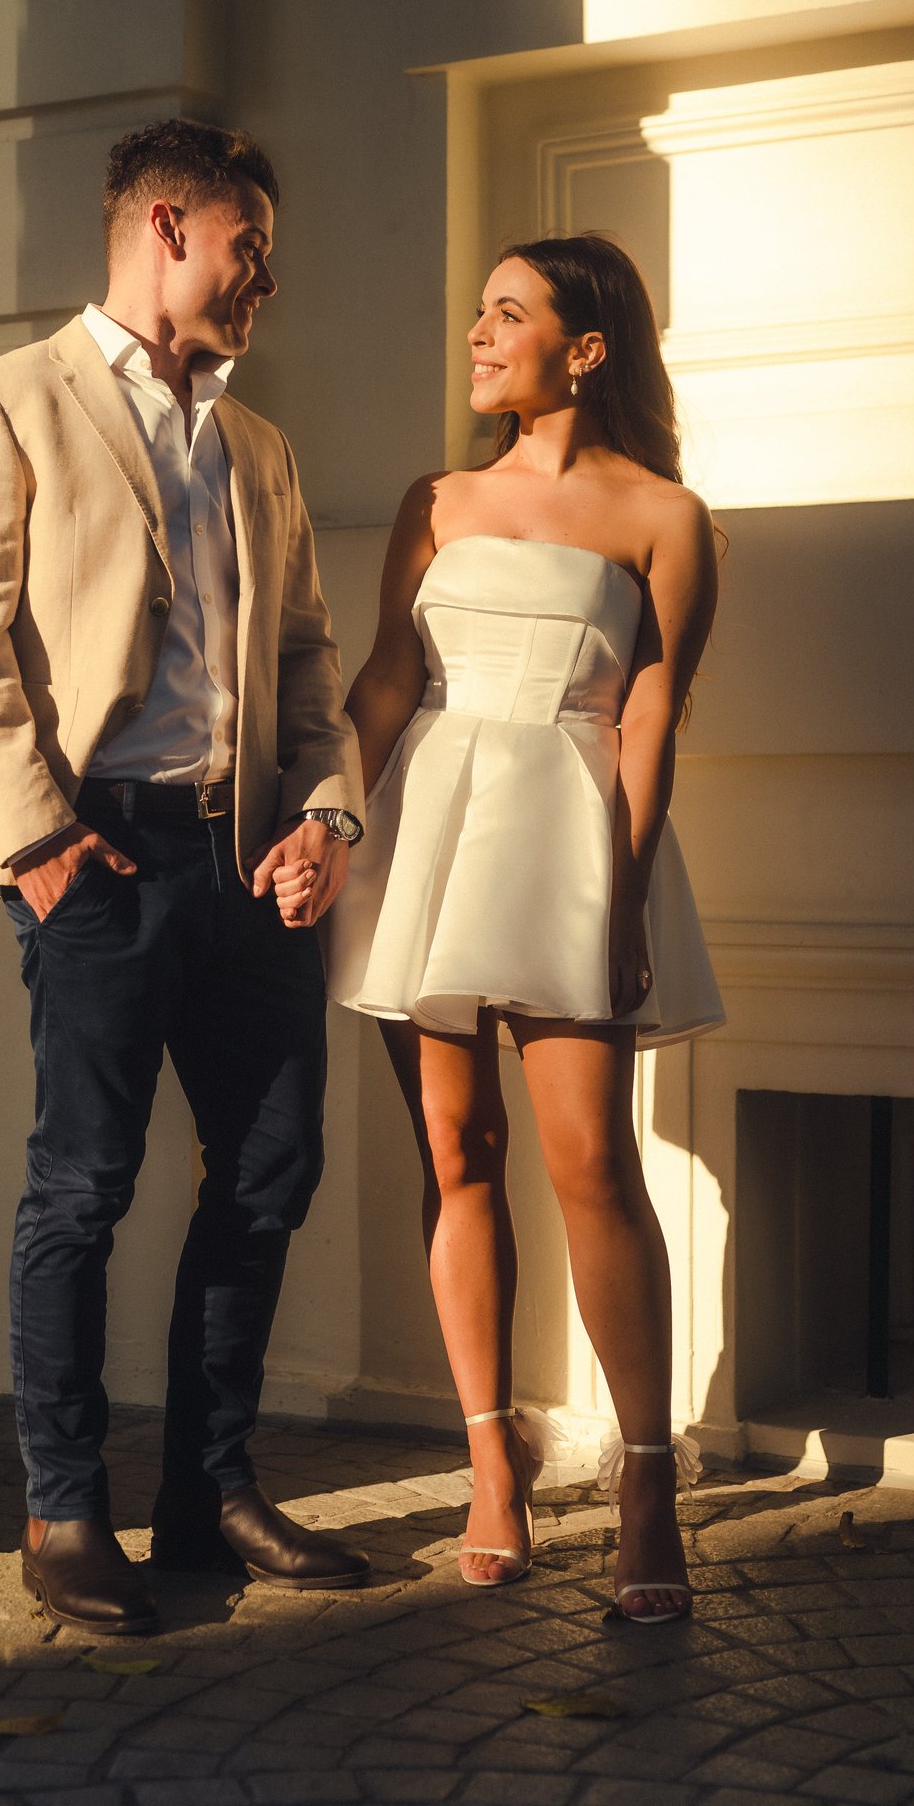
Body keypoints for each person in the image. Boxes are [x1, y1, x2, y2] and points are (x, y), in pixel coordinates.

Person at [0, 119, 369, 1637]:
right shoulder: (2, 403)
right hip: (91, 849)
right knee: (85, 1188)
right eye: (253, 249)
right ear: (167, 226)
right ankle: (62, 1510)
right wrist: (41, 848)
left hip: (247, 860)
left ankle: (210, 1492)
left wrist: (325, 821)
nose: (270, 282)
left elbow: (306, 666)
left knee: (265, 1172)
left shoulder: (261, 448)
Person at [309, 232, 723, 1624]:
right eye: (478, 313)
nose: (478, 336)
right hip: (426, 831)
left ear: (585, 347)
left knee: (590, 1160)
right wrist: (335, 824)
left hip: (567, 838)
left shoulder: (665, 516)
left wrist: (619, 884)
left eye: (508, 314)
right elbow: (384, 679)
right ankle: (493, 1460)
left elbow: (655, 714)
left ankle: (648, 1478)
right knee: (454, 1148)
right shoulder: (436, 499)